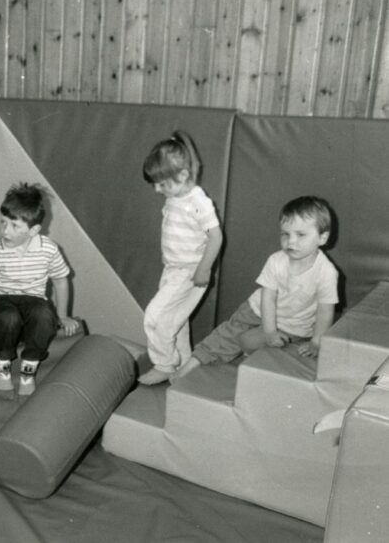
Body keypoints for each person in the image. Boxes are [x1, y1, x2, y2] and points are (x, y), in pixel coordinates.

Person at [173, 196, 338, 380]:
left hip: (294, 325)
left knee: (251, 343)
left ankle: (250, 348)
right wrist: (269, 332)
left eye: (301, 235)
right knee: (230, 333)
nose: (291, 242)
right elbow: (268, 298)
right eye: (285, 234)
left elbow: (325, 311)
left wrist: (316, 342)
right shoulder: (276, 261)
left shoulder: (326, 272)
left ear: (322, 237)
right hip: (258, 309)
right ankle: (192, 364)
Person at [0, 183, 81, 400]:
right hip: (0, 299)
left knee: (44, 315)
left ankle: (27, 372)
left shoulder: (49, 249)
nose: (5, 230)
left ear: (33, 230)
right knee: (8, 317)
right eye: (3, 222)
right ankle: (2, 368)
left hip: (33, 298)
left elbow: (61, 281)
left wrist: (62, 316)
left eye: (15, 226)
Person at [137, 131, 224, 385]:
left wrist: (203, 269)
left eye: (163, 183)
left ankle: (164, 364)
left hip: (190, 271)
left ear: (183, 175)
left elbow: (216, 237)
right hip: (173, 269)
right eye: (155, 183)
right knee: (176, 322)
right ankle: (184, 366)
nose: (157, 189)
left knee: (154, 316)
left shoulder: (198, 201)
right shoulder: (174, 196)